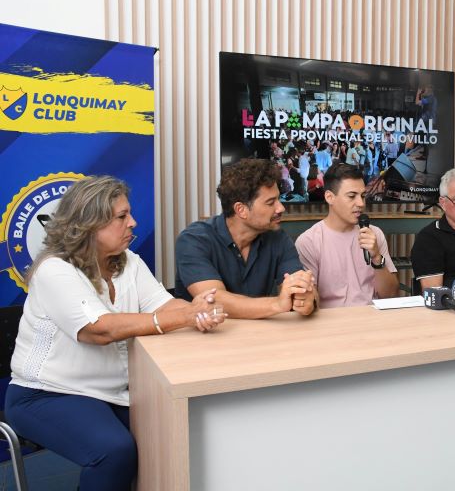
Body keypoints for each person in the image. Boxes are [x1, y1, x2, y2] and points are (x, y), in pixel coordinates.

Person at [4, 176, 226, 491]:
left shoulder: (128, 262)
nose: (133, 222)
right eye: (122, 216)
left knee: (172, 431)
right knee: (114, 452)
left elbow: (164, 305)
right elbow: (99, 329)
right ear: (89, 224)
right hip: (46, 394)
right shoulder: (54, 270)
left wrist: (199, 309)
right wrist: (184, 316)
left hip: (112, 392)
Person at [175, 158, 318, 318]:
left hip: (258, 332)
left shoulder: (278, 237)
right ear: (241, 210)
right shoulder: (193, 240)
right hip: (203, 333)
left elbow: (301, 288)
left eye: (278, 199)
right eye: (271, 202)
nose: (281, 208)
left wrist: (306, 299)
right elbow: (214, 300)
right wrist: (277, 304)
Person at [295, 163, 399, 307]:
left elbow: (391, 295)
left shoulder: (374, 234)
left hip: (371, 316)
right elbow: (308, 303)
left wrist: (376, 257)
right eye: (352, 196)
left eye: (363, 196)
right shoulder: (309, 241)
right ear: (329, 197)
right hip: (331, 318)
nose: (360, 203)